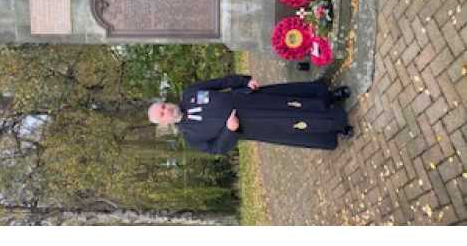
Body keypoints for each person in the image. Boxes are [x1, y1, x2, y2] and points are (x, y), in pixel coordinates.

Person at [147, 74, 353, 155]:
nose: (167, 111)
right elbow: (217, 148)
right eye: (162, 114)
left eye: (163, 106)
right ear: (163, 124)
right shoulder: (191, 137)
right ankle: (336, 126)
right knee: (294, 124)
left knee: (292, 100)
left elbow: (220, 83)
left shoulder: (190, 93)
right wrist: (230, 131)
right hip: (256, 126)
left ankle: (331, 98)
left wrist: (243, 81)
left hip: (254, 100)